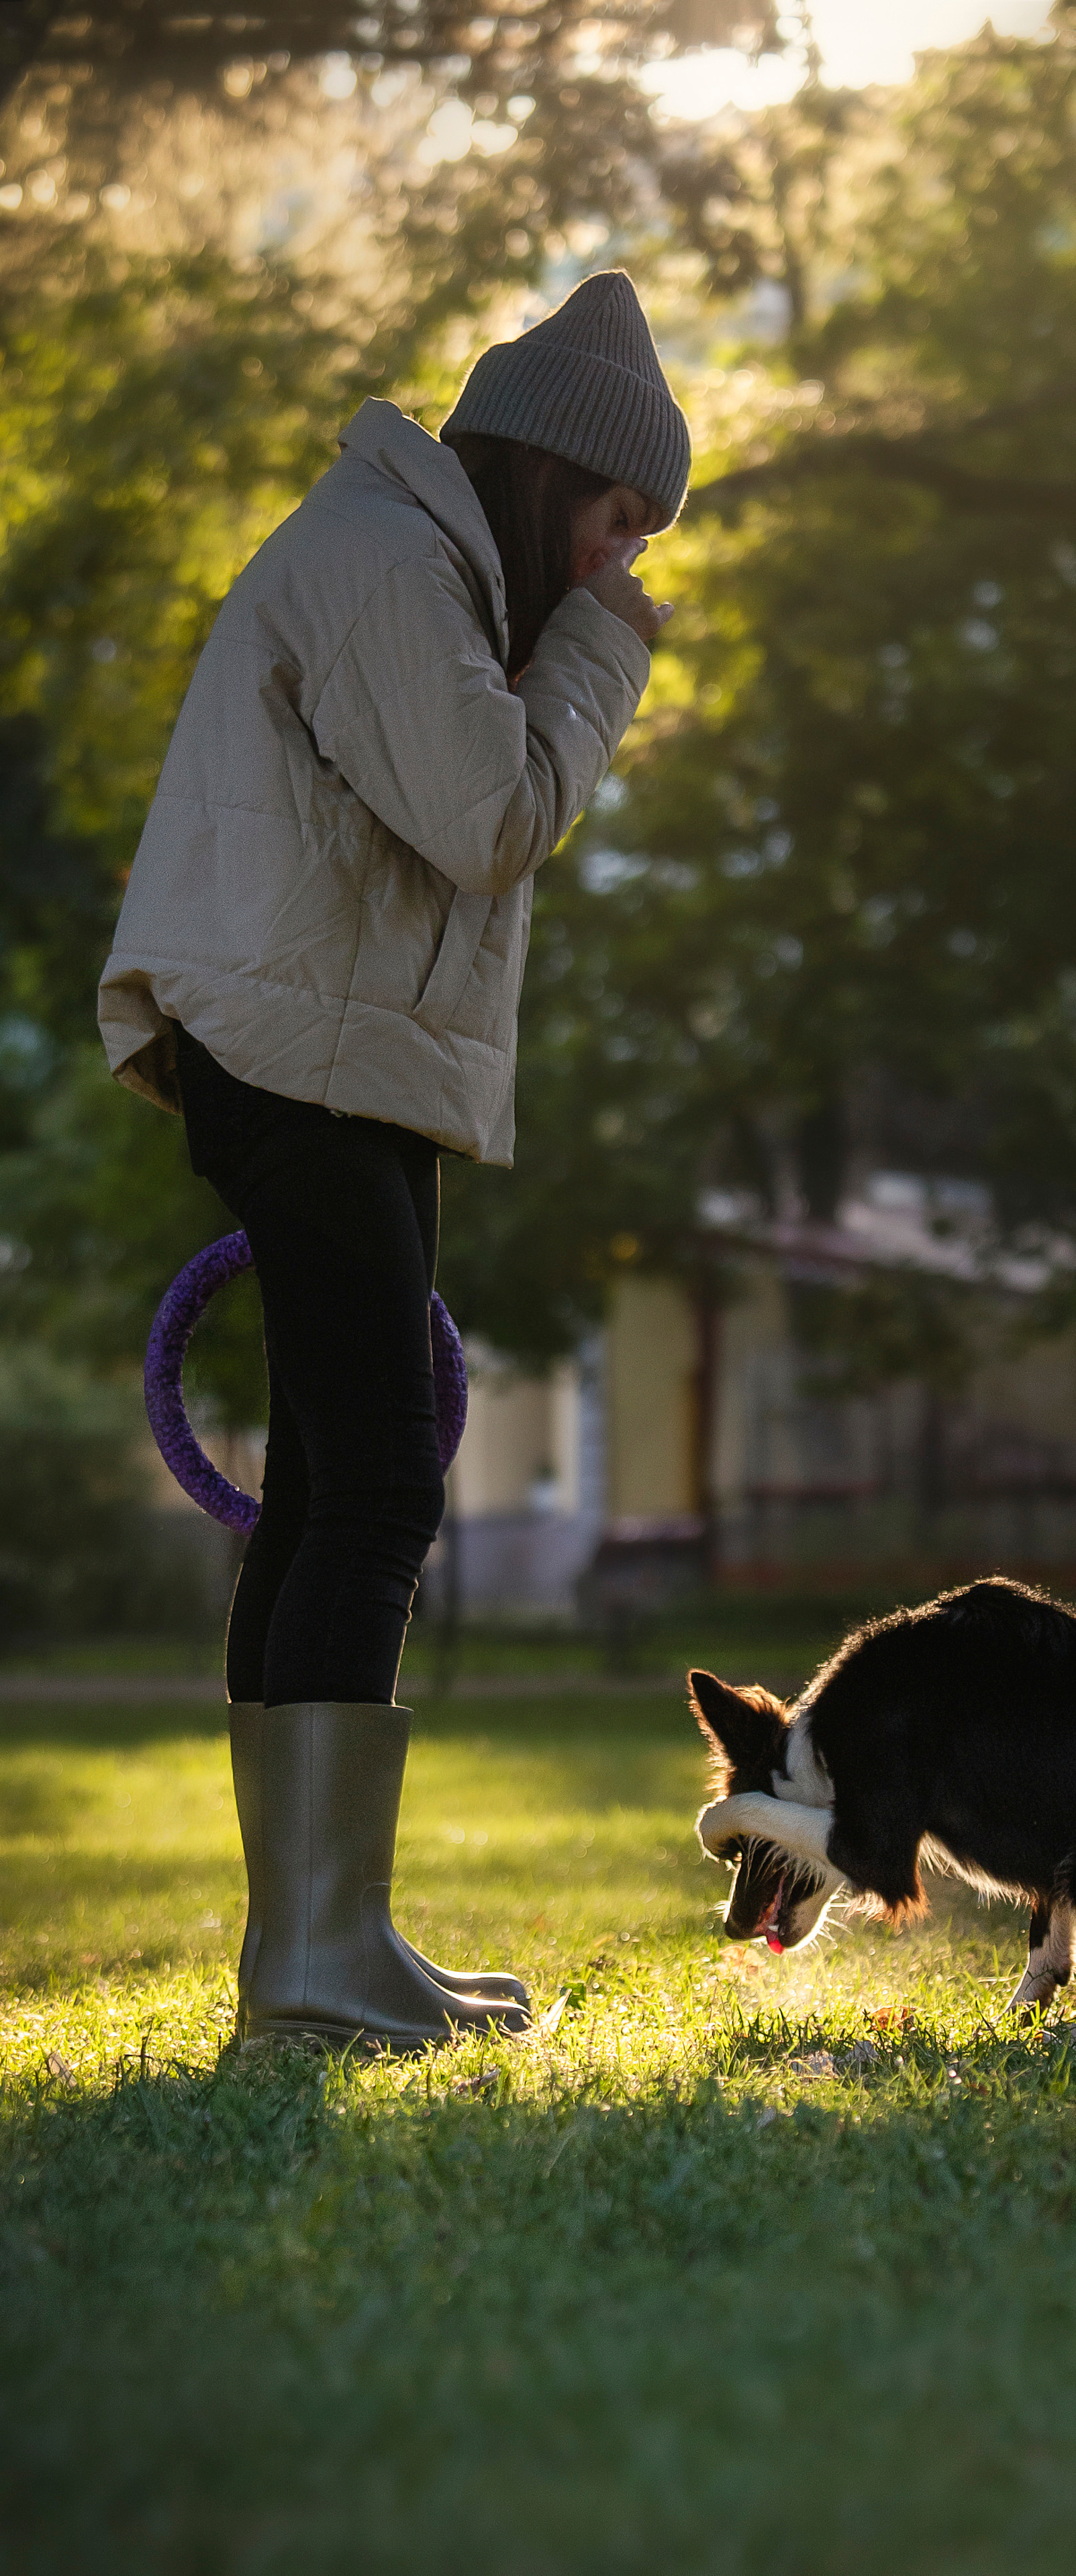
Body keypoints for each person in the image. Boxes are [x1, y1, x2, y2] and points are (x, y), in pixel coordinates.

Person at [97, 271, 685, 2050]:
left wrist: (565, 639)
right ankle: (314, 1961)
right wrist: (602, 656)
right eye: (616, 516)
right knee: (374, 1494)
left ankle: (322, 1944)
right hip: (293, 1050)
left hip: (335, 1051)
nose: (618, 559)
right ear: (543, 472)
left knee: (331, 1492)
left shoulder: (416, 564)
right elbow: (490, 819)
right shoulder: (381, 557)